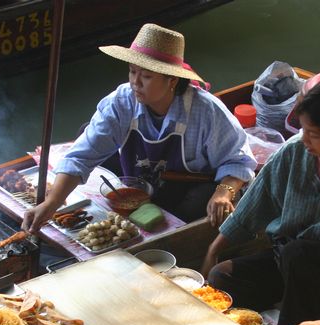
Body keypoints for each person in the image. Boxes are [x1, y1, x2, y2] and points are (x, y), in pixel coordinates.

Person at [22, 23, 256, 230]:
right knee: (86, 131)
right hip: (139, 178)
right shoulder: (122, 101)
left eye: (146, 76)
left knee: (198, 204)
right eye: (132, 72)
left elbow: (239, 161)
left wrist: (223, 193)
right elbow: (81, 156)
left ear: (172, 80)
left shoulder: (206, 111)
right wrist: (51, 203)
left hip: (184, 186)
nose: (135, 82)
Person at [202, 77, 320, 325]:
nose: (304, 140)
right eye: (303, 130)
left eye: (313, 134)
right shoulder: (293, 151)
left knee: (299, 255)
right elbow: (255, 205)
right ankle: (281, 308)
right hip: (289, 260)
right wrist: (213, 250)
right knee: (221, 277)